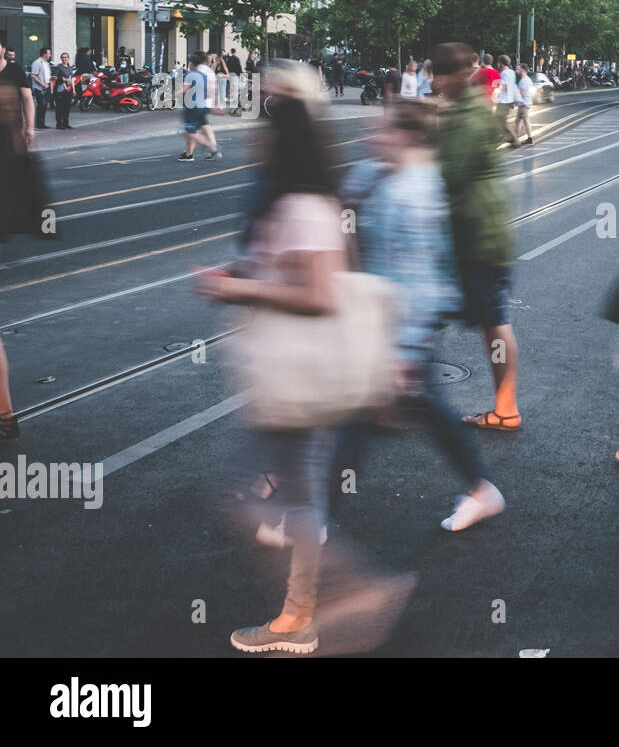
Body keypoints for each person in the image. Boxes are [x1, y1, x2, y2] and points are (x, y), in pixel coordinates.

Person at [198, 61, 344, 655]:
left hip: (298, 372)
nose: (254, 140)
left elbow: (317, 293)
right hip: (283, 370)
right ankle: (306, 607)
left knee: (265, 492)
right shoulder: (293, 203)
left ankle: (303, 614)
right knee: (286, 492)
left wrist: (239, 288)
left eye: (265, 130)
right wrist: (242, 271)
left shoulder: (306, 208)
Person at [339, 97, 505, 532]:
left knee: (370, 411)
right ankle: (479, 488)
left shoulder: (418, 193)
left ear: (408, 136)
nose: (372, 137)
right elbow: (349, 220)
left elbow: (419, 276)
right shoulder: (375, 174)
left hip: (407, 322)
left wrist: (406, 350)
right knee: (401, 410)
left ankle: (313, 513)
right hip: (379, 318)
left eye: (383, 130)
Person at [431, 44, 523, 433]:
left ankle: (506, 408)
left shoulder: (467, 118)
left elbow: (447, 175)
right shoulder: (468, 110)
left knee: (493, 322)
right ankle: (504, 407)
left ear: (451, 76)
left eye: (437, 74)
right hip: (479, 232)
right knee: (489, 322)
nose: (432, 82)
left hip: (478, 236)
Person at [0, 37, 37, 444]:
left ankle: (6, 415)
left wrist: (28, 126)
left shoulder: (14, 74)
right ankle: (6, 416)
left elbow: (27, 99)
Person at [178, 51, 222, 161]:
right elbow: (213, 88)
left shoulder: (195, 70)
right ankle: (193, 152)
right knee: (204, 125)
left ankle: (205, 149)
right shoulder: (210, 71)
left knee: (190, 129)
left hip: (196, 103)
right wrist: (216, 102)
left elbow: (187, 87)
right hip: (207, 103)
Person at [494, 54, 518, 144]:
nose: (497, 64)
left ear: (500, 63)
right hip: (509, 100)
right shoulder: (512, 72)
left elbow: (505, 87)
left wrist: (497, 91)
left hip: (504, 101)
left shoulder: (503, 73)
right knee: (501, 120)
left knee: (501, 120)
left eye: (498, 63)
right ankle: (510, 137)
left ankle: (515, 139)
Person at [51, 52, 76, 130]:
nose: (64, 59)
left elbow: (72, 79)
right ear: (61, 58)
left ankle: (66, 123)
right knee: (60, 108)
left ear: (68, 58)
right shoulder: (58, 67)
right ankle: (59, 124)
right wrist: (63, 79)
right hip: (60, 90)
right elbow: (54, 77)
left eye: (66, 57)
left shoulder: (70, 67)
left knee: (67, 108)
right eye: (63, 57)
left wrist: (74, 90)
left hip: (69, 90)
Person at [29, 47, 51, 130]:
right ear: (44, 54)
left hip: (47, 86)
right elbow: (33, 75)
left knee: (44, 106)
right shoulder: (37, 62)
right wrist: (42, 84)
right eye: (49, 53)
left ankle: (42, 123)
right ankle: (39, 124)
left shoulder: (46, 63)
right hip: (40, 88)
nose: (50, 55)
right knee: (41, 105)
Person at [513, 63, 534, 146]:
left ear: (522, 70)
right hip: (525, 103)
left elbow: (521, 93)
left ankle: (519, 139)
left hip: (524, 104)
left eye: (518, 69)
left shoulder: (523, 80)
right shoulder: (528, 79)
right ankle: (518, 138)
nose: (516, 71)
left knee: (524, 121)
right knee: (519, 121)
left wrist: (514, 102)